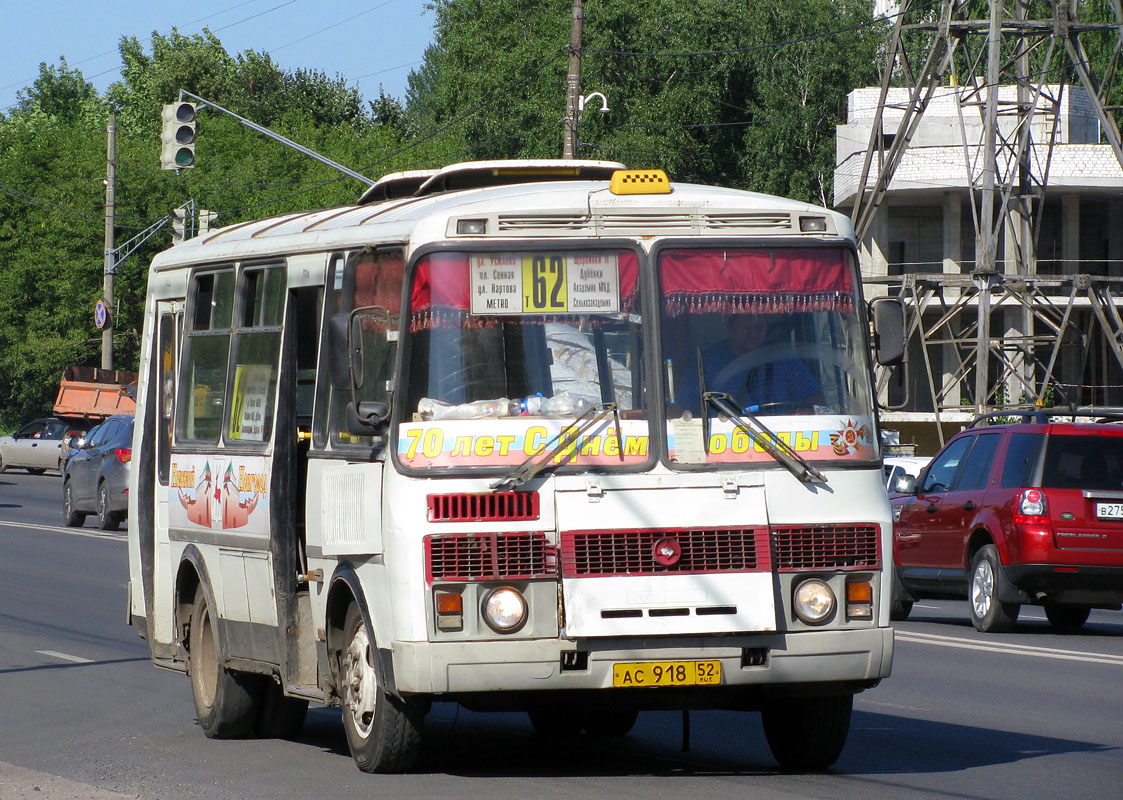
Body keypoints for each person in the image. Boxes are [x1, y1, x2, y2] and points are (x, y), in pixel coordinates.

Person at [677, 313, 822, 413]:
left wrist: (801, 415)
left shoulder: (783, 359)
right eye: (744, 329)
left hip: (782, 447)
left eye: (758, 328)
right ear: (729, 326)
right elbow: (679, 409)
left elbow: (818, 404)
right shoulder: (708, 363)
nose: (752, 335)